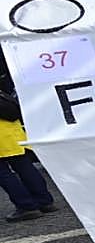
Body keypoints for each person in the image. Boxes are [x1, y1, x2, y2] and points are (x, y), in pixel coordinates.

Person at [0, 81, 57, 221]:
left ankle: (26, 206)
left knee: (3, 173)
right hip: (12, 131)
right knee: (25, 166)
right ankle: (44, 201)